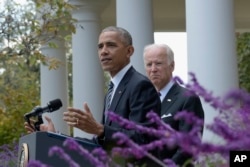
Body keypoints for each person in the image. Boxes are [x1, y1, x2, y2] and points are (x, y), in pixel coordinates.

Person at [25, 26, 161, 166]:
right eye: (100, 46)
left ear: (129, 51)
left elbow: (145, 141)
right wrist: (54, 137)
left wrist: (100, 130)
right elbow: (98, 145)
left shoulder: (140, 85)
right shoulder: (113, 90)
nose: (104, 51)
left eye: (111, 45)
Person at [143, 43, 205, 166]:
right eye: (149, 64)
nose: (153, 69)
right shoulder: (143, 101)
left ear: (172, 66)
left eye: (158, 63)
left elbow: (189, 146)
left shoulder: (188, 98)